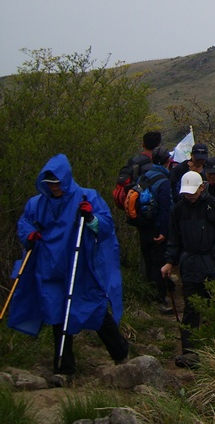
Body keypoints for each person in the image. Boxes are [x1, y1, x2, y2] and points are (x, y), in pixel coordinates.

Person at [7, 154, 129, 375]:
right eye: (50, 184)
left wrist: (91, 218)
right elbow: (24, 222)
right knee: (57, 312)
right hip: (50, 267)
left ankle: (120, 352)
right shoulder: (37, 203)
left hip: (80, 266)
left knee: (93, 307)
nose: (54, 188)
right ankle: (64, 368)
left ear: (66, 178)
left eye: (57, 183)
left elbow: (106, 225)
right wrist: (30, 235)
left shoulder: (87, 197)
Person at [161, 171, 215, 368]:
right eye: (186, 193)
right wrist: (169, 261)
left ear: (202, 188)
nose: (189, 196)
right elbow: (174, 239)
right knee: (191, 308)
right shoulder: (179, 210)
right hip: (190, 264)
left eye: (192, 192)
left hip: (211, 264)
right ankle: (190, 353)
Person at [131, 146, 175, 314]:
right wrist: (164, 231)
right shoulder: (163, 180)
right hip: (157, 228)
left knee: (148, 262)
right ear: (167, 161)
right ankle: (159, 300)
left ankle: (148, 296)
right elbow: (165, 208)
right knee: (159, 264)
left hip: (144, 226)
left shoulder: (144, 176)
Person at [113, 130, 162, 209]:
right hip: (151, 207)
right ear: (158, 146)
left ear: (143, 144)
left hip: (133, 206)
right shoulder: (158, 164)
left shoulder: (133, 161)